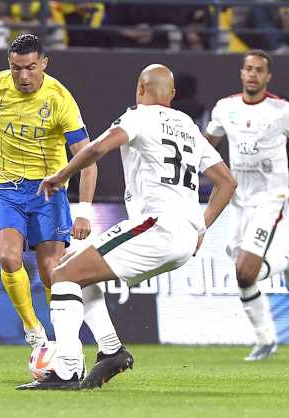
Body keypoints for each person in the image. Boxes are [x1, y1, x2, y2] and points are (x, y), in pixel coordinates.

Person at [16, 64, 236, 390]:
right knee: (73, 270)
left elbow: (98, 148)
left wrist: (61, 176)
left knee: (61, 275)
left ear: (140, 89)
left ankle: (66, 370)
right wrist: (201, 229)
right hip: (184, 235)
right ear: (171, 94)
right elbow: (227, 183)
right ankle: (111, 351)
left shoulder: (137, 116)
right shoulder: (188, 126)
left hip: (155, 226)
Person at [0, 34, 128, 364]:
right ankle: (34, 330)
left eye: (30, 68)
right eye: (15, 68)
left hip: (48, 192)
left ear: (44, 64)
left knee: (53, 271)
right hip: (4, 189)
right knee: (9, 259)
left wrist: (84, 212)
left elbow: (88, 158)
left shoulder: (59, 98)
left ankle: (65, 346)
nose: (23, 77)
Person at [204, 50, 289, 361]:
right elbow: (208, 145)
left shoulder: (282, 111)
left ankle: (284, 267)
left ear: (267, 76)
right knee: (242, 274)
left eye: (259, 70)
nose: (253, 75)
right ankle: (267, 337)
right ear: (241, 73)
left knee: (246, 272)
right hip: (238, 200)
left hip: (270, 198)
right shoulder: (225, 108)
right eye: (248, 69)